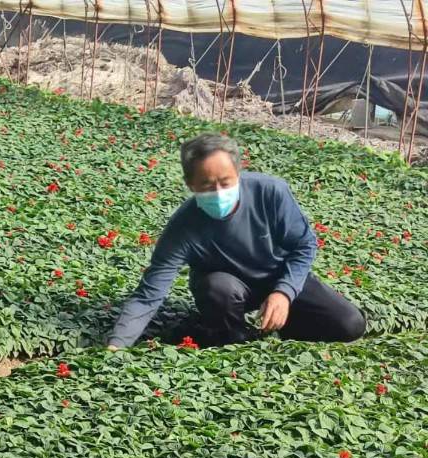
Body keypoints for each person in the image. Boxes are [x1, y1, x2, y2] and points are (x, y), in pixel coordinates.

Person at [106, 132, 367, 350]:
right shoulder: (183, 227)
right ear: (190, 184)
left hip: (275, 277)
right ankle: (231, 338)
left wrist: (284, 292)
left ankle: (278, 325)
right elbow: (149, 295)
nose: (218, 193)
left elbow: (304, 245)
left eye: (225, 182)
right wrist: (116, 345)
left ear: (238, 174)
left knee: (349, 324)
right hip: (225, 290)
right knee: (218, 288)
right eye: (207, 186)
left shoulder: (270, 193)